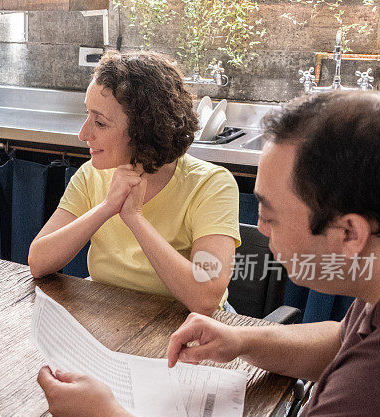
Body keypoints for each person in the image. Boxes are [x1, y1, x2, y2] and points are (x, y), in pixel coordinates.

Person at [37, 90, 380, 417]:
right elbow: (341, 340)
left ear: (349, 232)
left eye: (271, 213)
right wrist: (242, 339)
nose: (260, 228)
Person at [28, 50, 241, 315]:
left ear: (144, 130)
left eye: (100, 123)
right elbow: (38, 262)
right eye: (87, 115)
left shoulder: (211, 185)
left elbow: (206, 298)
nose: (83, 133)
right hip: (111, 315)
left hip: (188, 324)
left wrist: (135, 218)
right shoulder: (89, 175)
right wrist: (106, 207)